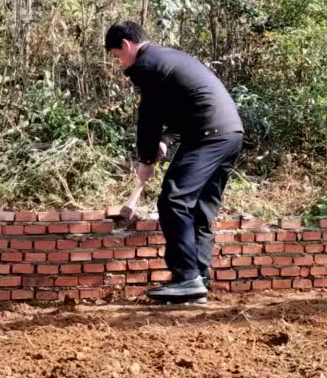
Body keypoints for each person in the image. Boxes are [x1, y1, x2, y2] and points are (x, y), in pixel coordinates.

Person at [105, 21, 245, 301]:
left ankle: (187, 279)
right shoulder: (168, 59)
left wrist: (146, 158)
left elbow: (150, 115)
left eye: (118, 55)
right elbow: (185, 106)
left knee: (174, 200)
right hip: (230, 134)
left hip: (208, 136)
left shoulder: (147, 64)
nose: (121, 62)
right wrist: (164, 142)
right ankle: (198, 282)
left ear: (126, 45)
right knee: (199, 210)